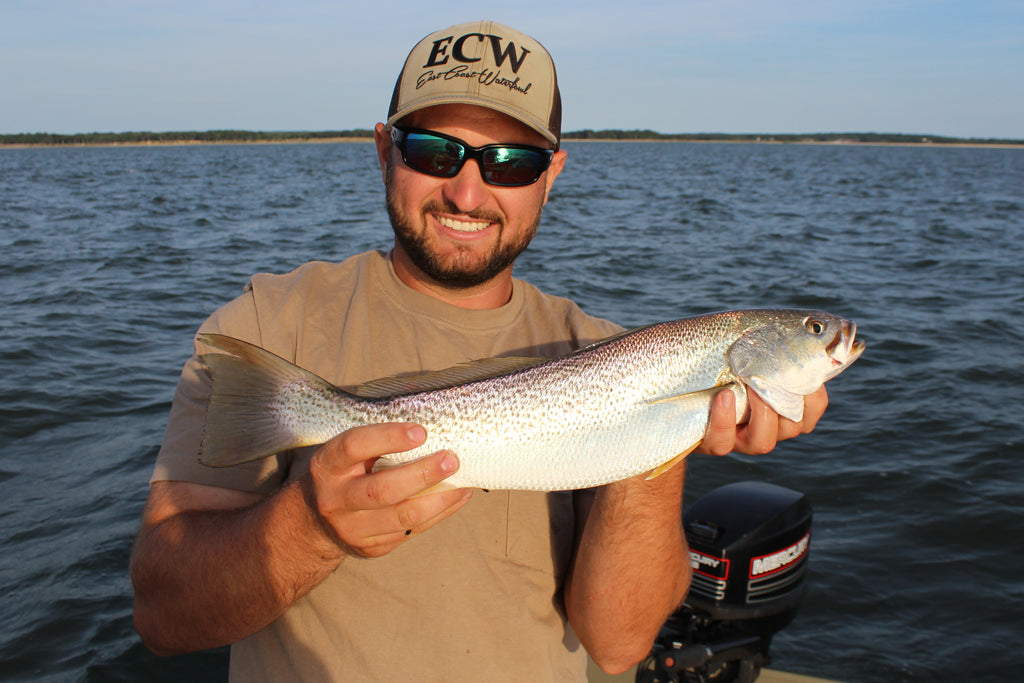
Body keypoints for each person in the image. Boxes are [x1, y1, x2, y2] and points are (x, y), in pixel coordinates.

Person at [130, 20, 829, 681]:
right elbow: (162, 615)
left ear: (551, 174)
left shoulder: (607, 348)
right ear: (384, 152)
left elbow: (617, 644)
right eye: (436, 152)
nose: (467, 191)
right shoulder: (267, 325)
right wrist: (309, 525)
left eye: (511, 163)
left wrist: (663, 439)